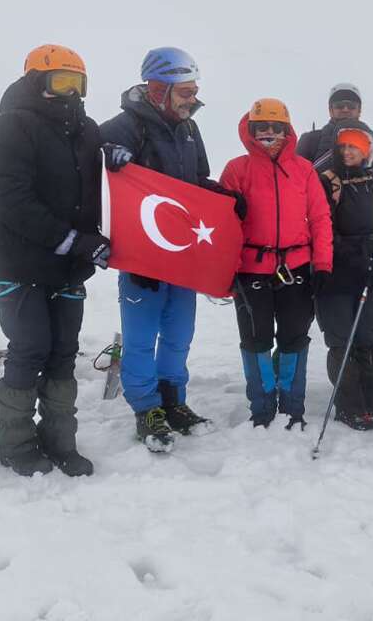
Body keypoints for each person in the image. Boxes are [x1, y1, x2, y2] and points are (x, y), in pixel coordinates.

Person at [101, 46, 243, 453]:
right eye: (185, 90)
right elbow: (92, 167)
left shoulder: (188, 130)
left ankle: (173, 400)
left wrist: (225, 199)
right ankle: (146, 409)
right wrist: (107, 155)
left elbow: (198, 181)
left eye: (194, 89)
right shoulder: (125, 126)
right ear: (157, 88)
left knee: (180, 334)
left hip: (182, 253)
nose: (192, 99)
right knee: (142, 336)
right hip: (141, 256)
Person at [0, 44, 106, 476]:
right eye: (59, 81)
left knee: (63, 352)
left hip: (66, 266)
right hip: (15, 264)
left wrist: (120, 155)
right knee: (31, 348)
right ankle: (16, 442)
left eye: (77, 83)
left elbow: (111, 164)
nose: (69, 92)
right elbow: (10, 201)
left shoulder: (87, 133)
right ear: (35, 82)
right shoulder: (7, 130)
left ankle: (60, 441)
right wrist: (70, 239)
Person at [220, 99, 333, 428]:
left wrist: (322, 265)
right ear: (251, 131)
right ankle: (262, 407)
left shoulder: (303, 169)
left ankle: (292, 407)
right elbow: (224, 225)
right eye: (262, 128)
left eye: (276, 128)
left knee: (294, 338)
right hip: (250, 269)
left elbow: (321, 218)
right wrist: (224, 269)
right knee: (255, 340)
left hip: (296, 267)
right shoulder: (236, 169)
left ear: (287, 131)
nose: (269, 134)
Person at [314, 124, 373, 431]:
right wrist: (357, 258)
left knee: (367, 339)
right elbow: (322, 228)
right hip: (336, 274)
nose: (348, 152)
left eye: (355, 146)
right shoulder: (327, 182)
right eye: (343, 146)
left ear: (367, 150)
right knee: (341, 340)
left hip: (369, 271)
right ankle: (349, 404)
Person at [295, 82, 373, 186]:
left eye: (351, 106)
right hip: (324, 206)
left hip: (368, 206)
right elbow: (295, 178)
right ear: (330, 110)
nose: (345, 109)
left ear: (359, 110)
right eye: (339, 106)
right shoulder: (310, 139)